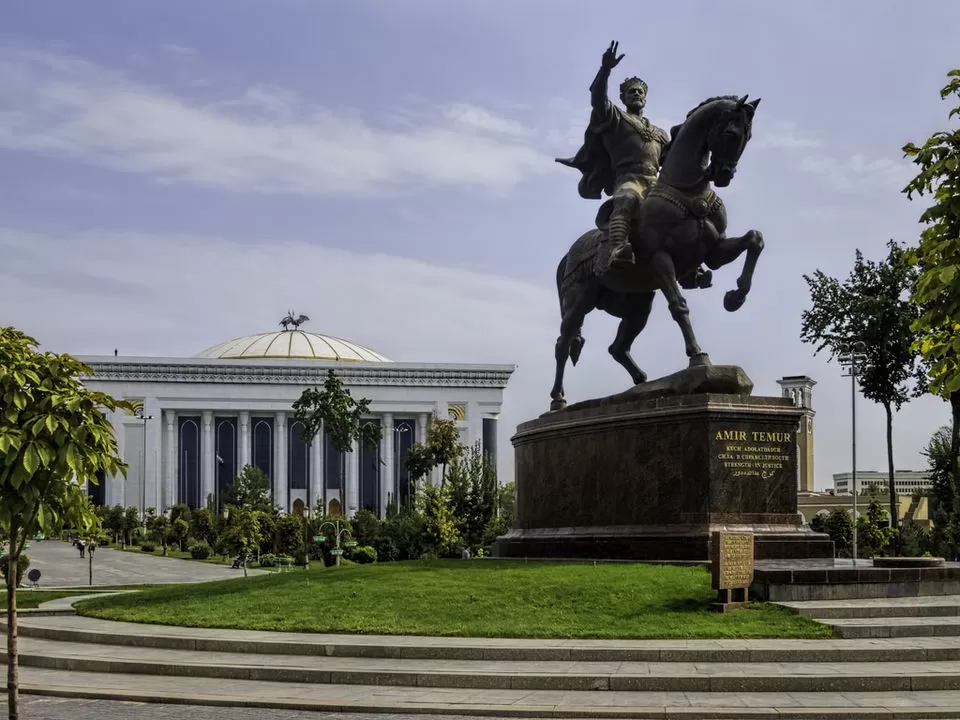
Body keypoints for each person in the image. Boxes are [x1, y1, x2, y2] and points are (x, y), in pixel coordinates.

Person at [556, 41, 712, 287]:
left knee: (688, 208)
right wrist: (605, 70)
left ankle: (693, 266)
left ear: (646, 98)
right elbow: (597, 100)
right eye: (631, 92)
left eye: (640, 92)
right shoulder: (615, 118)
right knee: (627, 199)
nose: (636, 95)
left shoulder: (659, 133)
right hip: (628, 179)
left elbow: (673, 162)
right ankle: (618, 248)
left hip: (656, 184)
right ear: (623, 97)